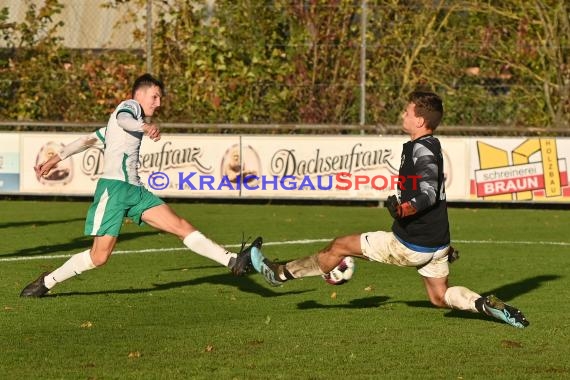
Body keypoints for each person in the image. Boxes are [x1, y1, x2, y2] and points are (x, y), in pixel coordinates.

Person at [247, 91, 529, 329]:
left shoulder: (423, 150)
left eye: (407, 112)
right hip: (436, 243)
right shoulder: (425, 146)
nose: (403, 115)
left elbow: (429, 193)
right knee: (439, 298)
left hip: (410, 244)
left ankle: (280, 274)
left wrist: (405, 209)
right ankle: (483, 304)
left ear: (419, 120)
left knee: (340, 245)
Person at [20, 73, 261, 297]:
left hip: (136, 191)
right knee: (99, 257)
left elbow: (87, 140)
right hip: (114, 190)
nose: (158, 103)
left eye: (159, 99)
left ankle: (232, 260)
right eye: (155, 96)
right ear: (140, 94)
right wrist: (144, 126)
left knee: (180, 225)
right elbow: (124, 118)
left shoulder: (117, 126)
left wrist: (53, 160)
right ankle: (48, 281)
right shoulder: (129, 107)